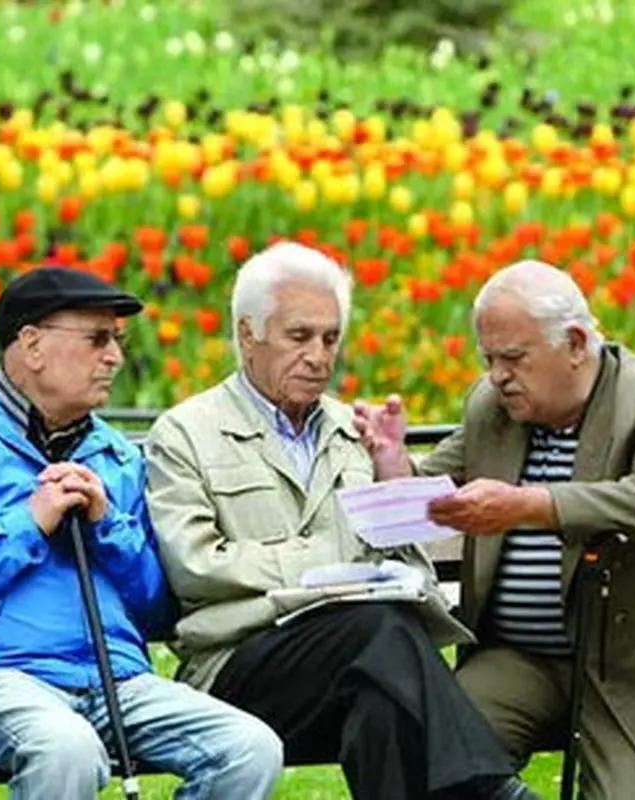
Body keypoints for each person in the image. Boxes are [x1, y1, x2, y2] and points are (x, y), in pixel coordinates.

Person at [354, 260, 635, 800]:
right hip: (518, 659)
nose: (498, 375)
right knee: (431, 759)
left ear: (575, 344)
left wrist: (530, 506)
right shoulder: (492, 406)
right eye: (489, 359)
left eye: (514, 358)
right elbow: (436, 490)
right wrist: (393, 465)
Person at [143, 242, 541, 800]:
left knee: (383, 705)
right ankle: (491, 788)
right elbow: (196, 566)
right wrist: (329, 565)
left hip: (361, 666)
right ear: (247, 335)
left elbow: (409, 572)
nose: (319, 356)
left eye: (331, 338)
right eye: (300, 336)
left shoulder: (353, 430)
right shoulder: (186, 433)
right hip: (240, 668)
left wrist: (393, 477)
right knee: (380, 634)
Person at [0, 266, 283, 800]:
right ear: (32, 345)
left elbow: (160, 608)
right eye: (96, 339)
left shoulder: (115, 457)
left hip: (119, 681)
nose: (114, 356)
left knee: (250, 748)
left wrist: (107, 527)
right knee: (68, 749)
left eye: (117, 340)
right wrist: (27, 525)